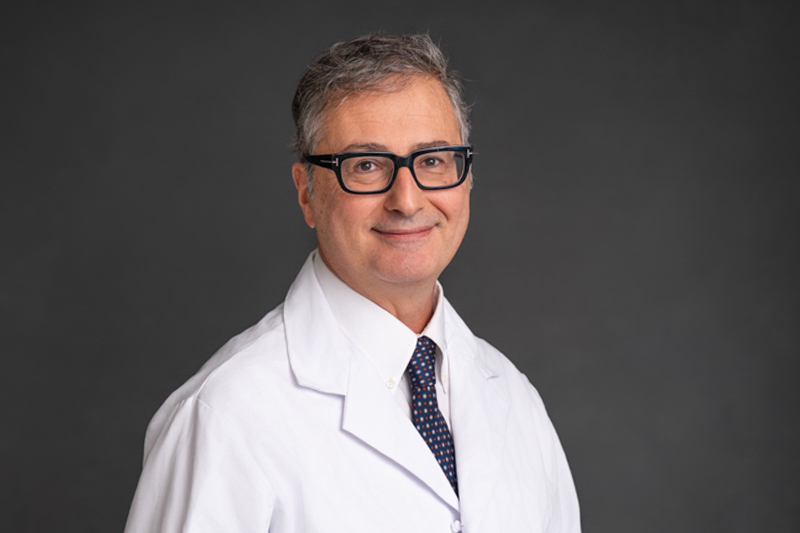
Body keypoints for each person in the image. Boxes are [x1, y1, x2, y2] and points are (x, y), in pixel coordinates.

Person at [124, 33, 581, 533]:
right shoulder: (225, 415)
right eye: (366, 166)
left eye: (432, 161)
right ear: (306, 193)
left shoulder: (515, 400)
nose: (407, 200)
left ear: (466, 177)